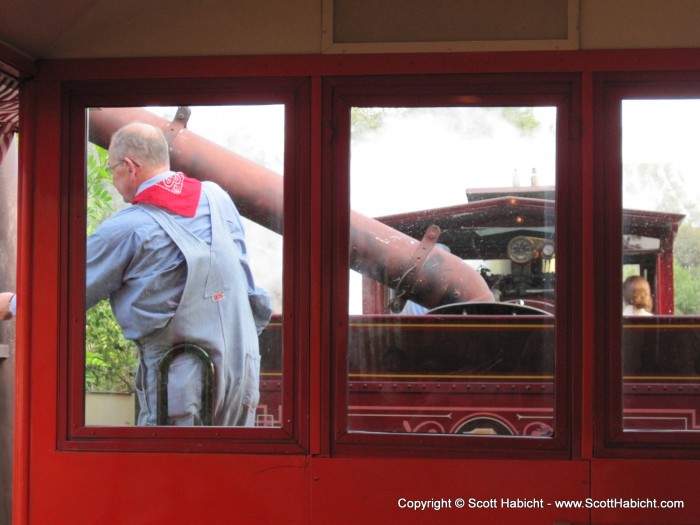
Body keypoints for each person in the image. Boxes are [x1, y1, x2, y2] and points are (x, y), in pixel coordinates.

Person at [1, 122, 272, 427]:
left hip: (181, 382)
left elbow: (60, 295)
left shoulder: (126, 229)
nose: (112, 180)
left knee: (171, 471)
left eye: (111, 169)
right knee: (236, 467)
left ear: (129, 167)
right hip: (241, 371)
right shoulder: (218, 198)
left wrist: (11, 304)